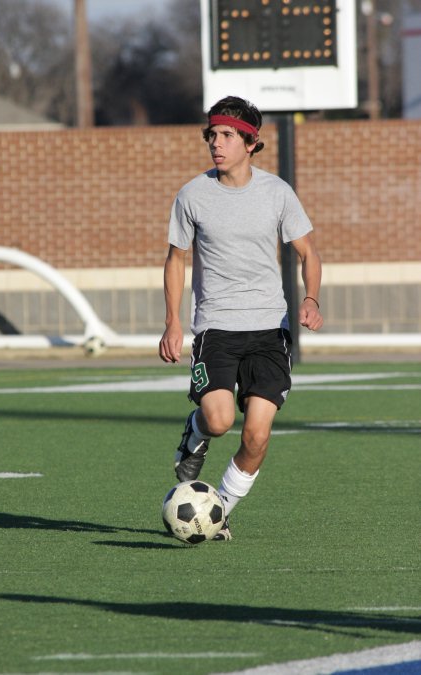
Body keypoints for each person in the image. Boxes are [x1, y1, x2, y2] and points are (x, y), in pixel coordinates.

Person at [159, 95, 323, 541]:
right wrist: (173, 321)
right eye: (212, 134)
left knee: (256, 436)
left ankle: (220, 511)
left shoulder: (277, 192)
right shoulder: (192, 194)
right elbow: (176, 260)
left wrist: (311, 298)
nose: (217, 142)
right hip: (216, 327)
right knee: (218, 420)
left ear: (251, 143)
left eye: (228, 135)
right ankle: (195, 434)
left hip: (271, 330)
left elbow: (308, 251)